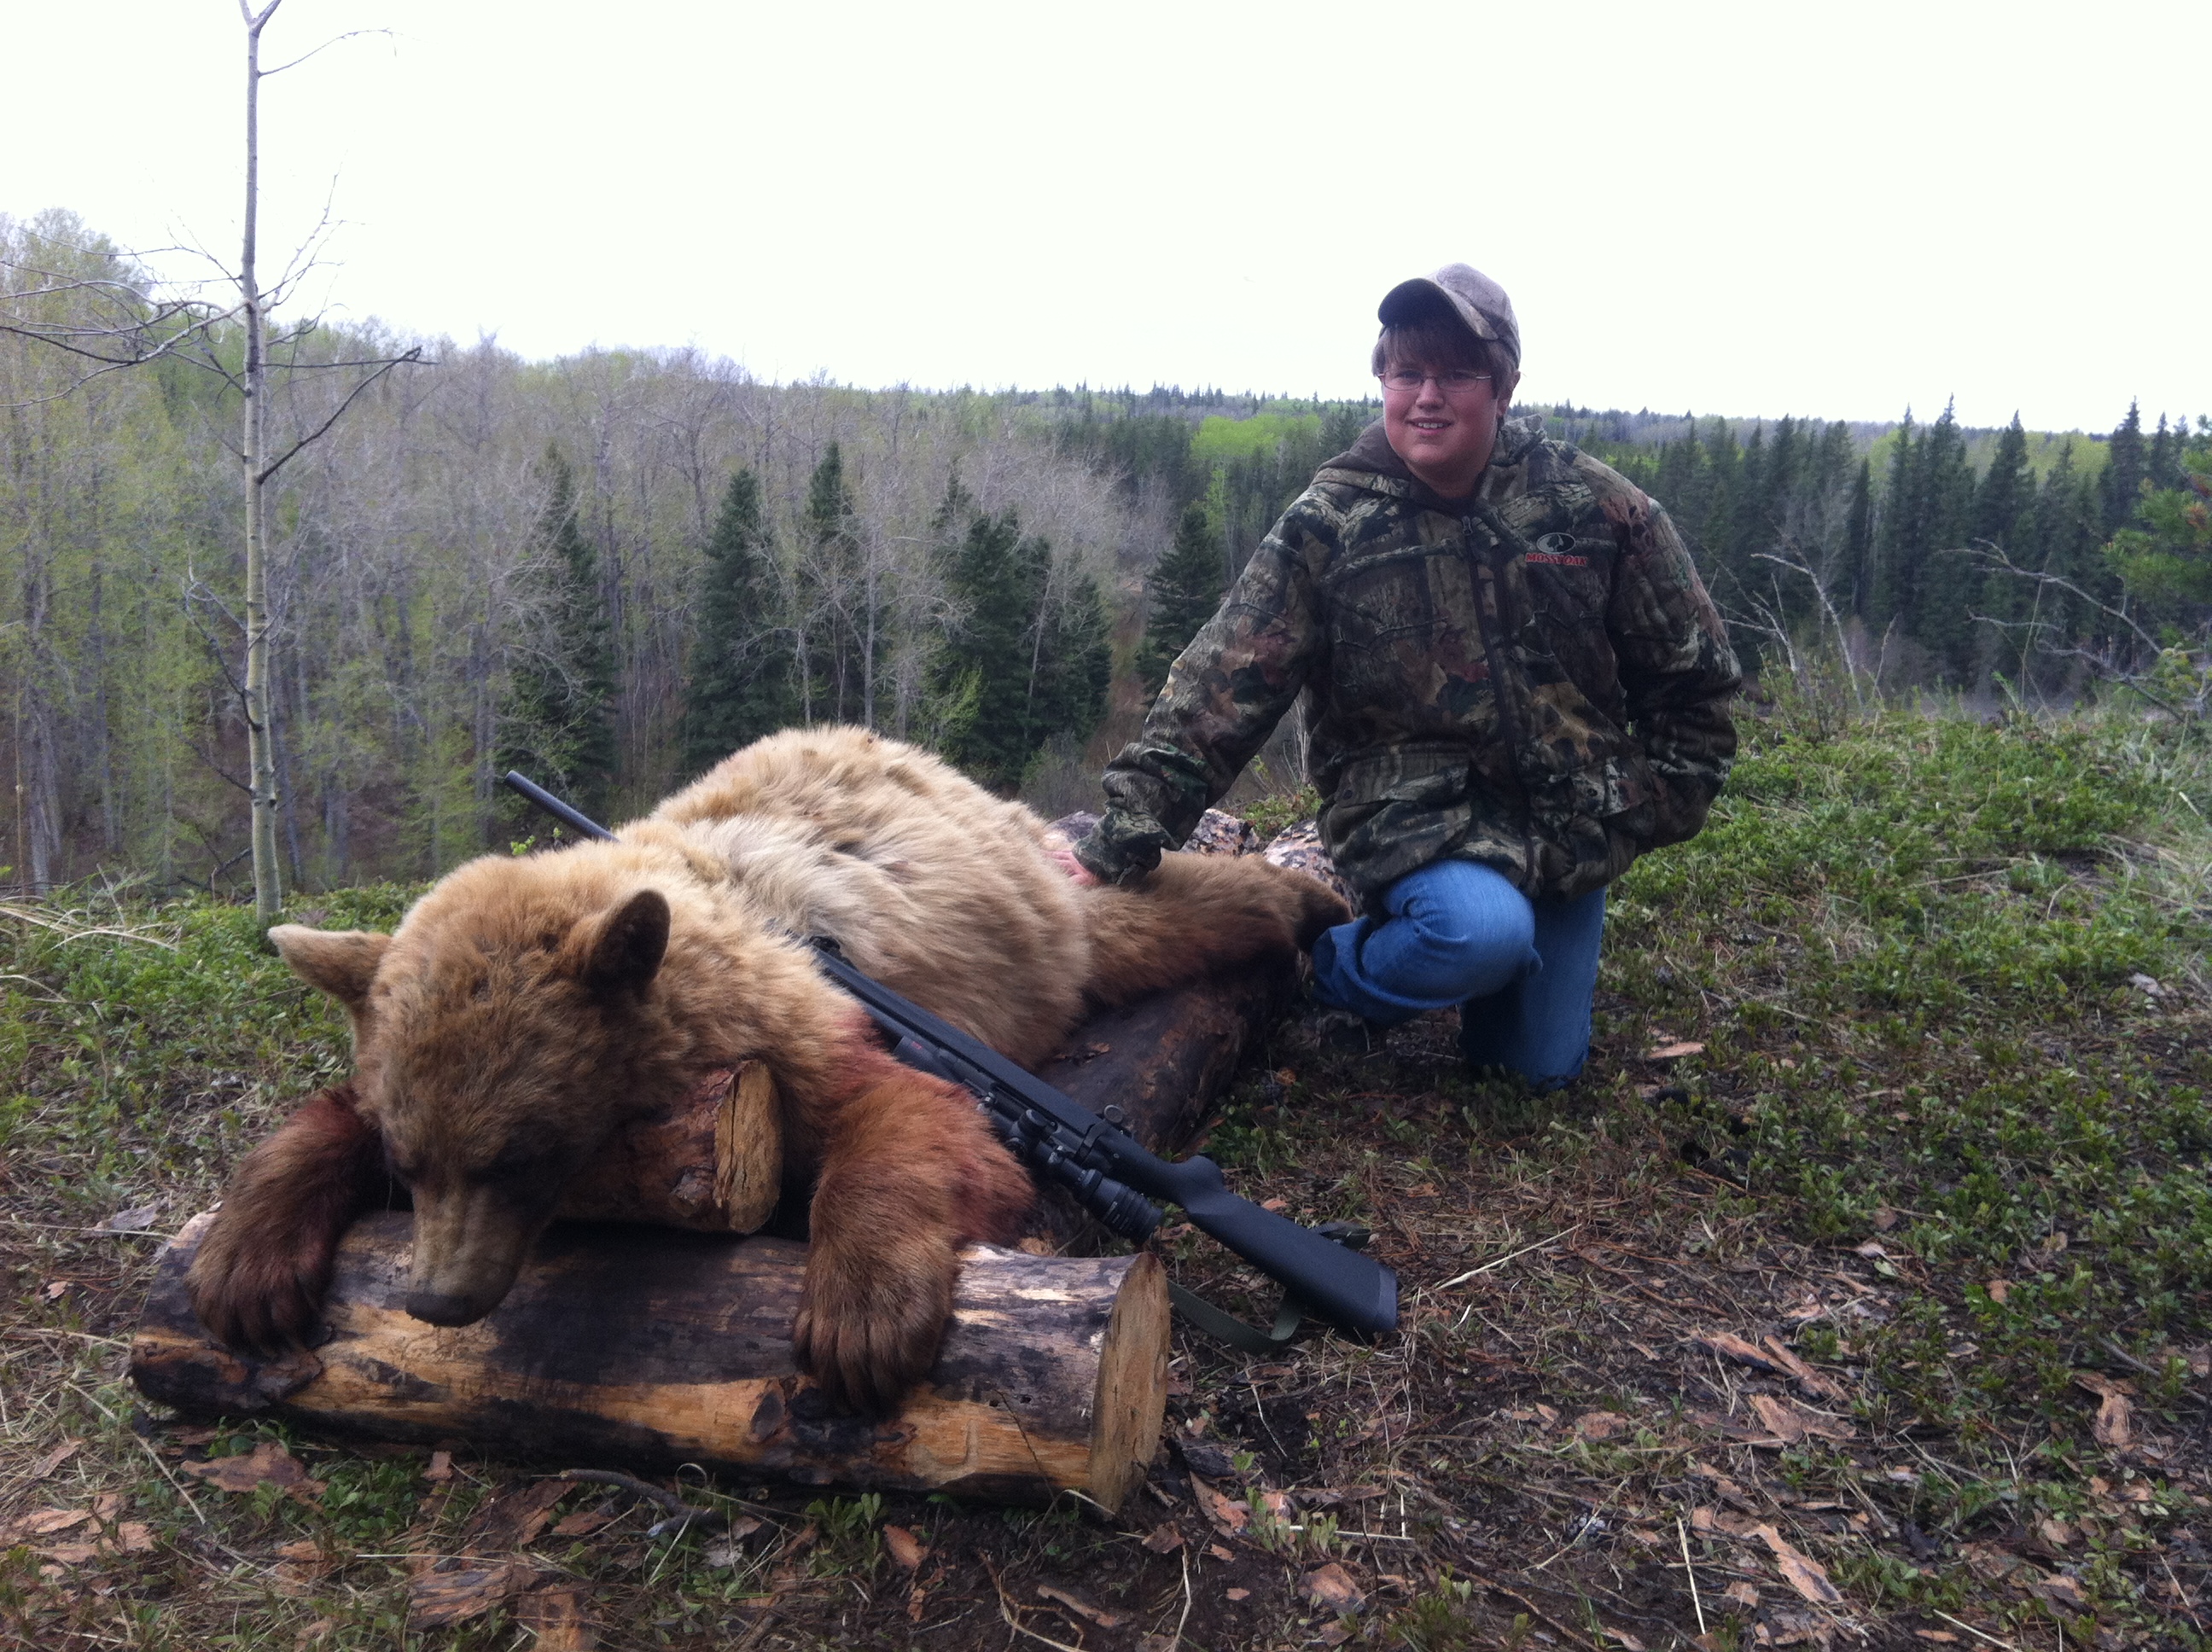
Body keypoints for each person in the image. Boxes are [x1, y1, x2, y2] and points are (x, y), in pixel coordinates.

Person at [1066, 265, 1741, 1089]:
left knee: (1531, 1073)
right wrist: (1121, 836)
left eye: (1456, 373)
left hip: (1564, 827)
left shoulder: (1595, 509)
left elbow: (1694, 681)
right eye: (1406, 372)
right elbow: (1223, 687)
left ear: (1504, 386)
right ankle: (1335, 970)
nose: (1427, 395)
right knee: (1479, 936)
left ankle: (1477, 961)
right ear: (1381, 380)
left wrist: (1650, 804)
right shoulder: (1332, 521)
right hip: (1410, 815)